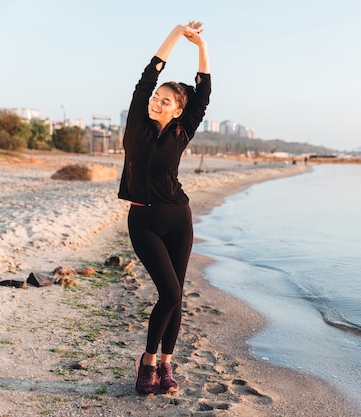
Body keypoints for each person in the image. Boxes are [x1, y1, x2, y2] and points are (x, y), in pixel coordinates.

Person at [117, 21, 210, 395]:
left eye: (166, 101)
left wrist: (201, 46)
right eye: (157, 96)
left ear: (177, 111)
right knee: (169, 293)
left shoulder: (181, 131)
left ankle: (167, 365)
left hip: (178, 218)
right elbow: (148, 74)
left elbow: (202, 94)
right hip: (143, 220)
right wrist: (175, 34)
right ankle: (147, 363)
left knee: (177, 294)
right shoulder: (137, 122)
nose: (157, 101)